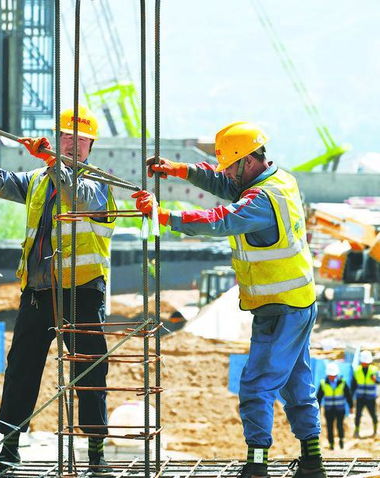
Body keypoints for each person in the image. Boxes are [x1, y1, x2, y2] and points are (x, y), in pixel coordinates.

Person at [133, 121, 325, 478]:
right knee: (297, 381)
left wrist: (163, 216)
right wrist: (178, 170)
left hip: (281, 305)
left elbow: (220, 219)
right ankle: (312, 460)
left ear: (247, 161)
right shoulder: (277, 180)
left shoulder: (260, 201)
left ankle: (256, 465)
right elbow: (225, 185)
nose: (227, 175)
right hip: (294, 301)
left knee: (256, 383)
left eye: (230, 166)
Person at [0, 105, 115, 474]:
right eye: (67, 137)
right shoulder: (38, 180)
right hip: (38, 293)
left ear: (91, 146)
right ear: (59, 137)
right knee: (22, 370)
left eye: (81, 140)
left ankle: (96, 455)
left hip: (82, 293)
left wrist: (50, 158)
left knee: (90, 371)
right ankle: (9, 449)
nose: (74, 145)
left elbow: (75, 193)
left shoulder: (99, 185)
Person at [317, 362, 353, 450]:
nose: (332, 377)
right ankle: (331, 443)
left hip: (340, 409)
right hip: (329, 410)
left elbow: (348, 395)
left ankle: (341, 441)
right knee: (329, 427)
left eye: (333, 375)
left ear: (336, 374)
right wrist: (318, 409)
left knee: (340, 425)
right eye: (330, 375)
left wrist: (351, 406)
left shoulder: (342, 383)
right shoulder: (323, 383)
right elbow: (319, 397)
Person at [351, 350, 378, 438]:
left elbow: (379, 380)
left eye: (366, 362)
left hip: (371, 398)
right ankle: (356, 431)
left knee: (373, 414)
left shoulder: (374, 370)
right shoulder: (357, 370)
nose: (365, 364)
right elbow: (353, 385)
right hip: (360, 397)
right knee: (358, 415)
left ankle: (375, 431)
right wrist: (351, 397)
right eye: (363, 362)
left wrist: (376, 380)